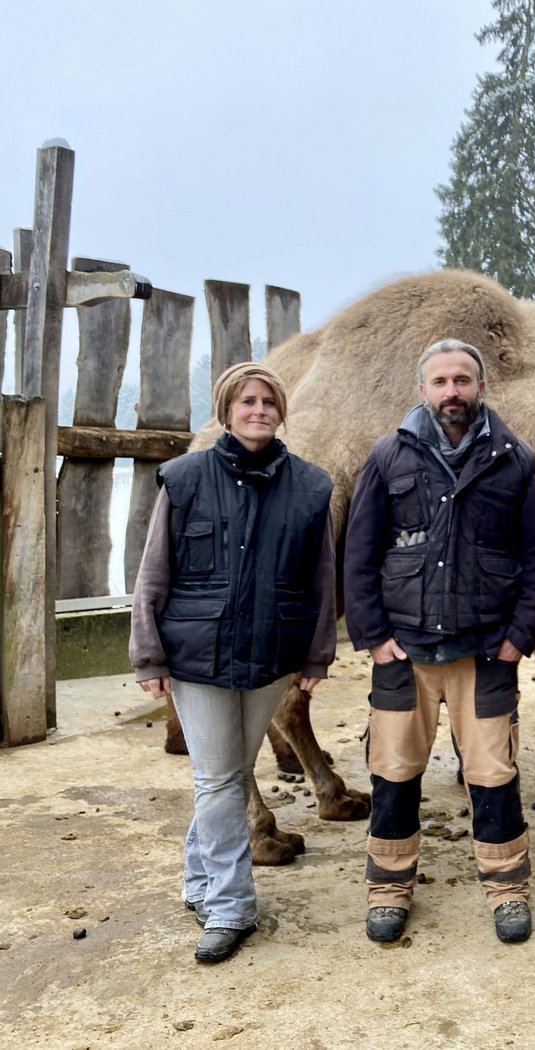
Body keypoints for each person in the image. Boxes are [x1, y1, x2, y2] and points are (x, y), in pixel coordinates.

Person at [344, 338, 535, 945]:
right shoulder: (389, 456)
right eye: (440, 382)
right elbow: (358, 555)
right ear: (422, 390)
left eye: (462, 381)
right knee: (393, 770)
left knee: (493, 772)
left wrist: (519, 640)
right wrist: (376, 639)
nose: (452, 393)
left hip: (486, 652)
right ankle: (388, 891)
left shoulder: (516, 459)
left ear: (481, 388)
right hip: (404, 653)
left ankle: (507, 888)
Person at [129, 362, 336, 964]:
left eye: (269, 401)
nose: (259, 410)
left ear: (281, 412)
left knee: (225, 775)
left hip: (273, 655)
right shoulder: (186, 477)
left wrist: (317, 654)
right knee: (219, 781)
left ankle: (199, 882)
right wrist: (148, 653)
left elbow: (321, 580)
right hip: (198, 658)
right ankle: (230, 906)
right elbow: (154, 572)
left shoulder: (311, 487)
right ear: (227, 410)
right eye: (247, 401)